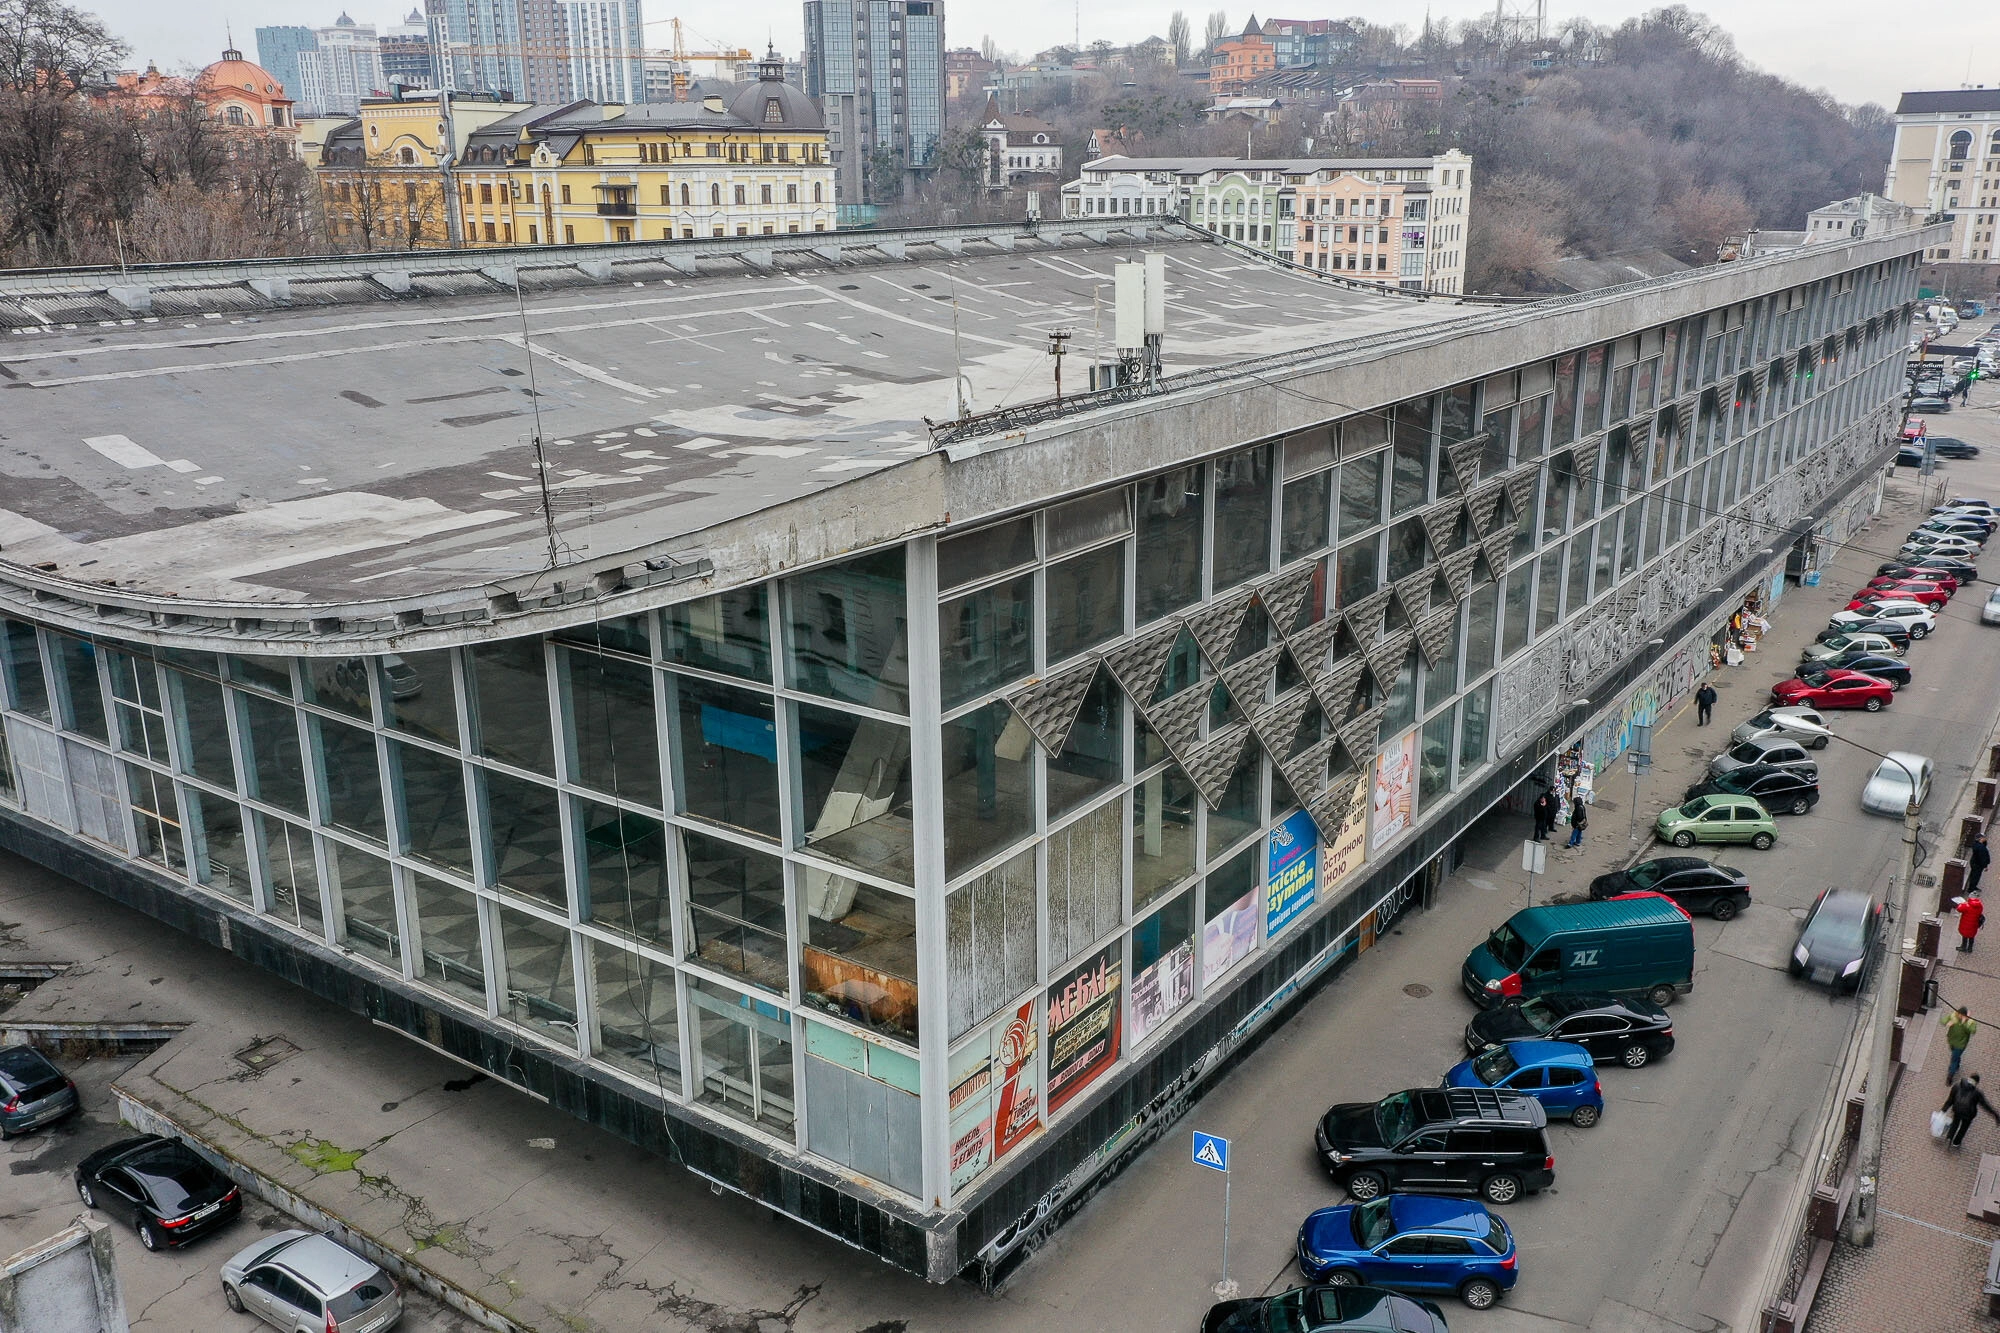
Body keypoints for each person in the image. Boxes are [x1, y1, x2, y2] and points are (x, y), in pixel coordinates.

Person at [1942, 1073, 2000, 1148]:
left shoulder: (1957, 1086)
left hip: (1957, 1110)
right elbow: (1985, 1105)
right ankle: (1956, 1142)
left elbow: (1950, 1100)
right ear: (1976, 1083)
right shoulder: (1977, 1093)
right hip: (1968, 1114)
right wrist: (1995, 1114)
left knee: (1954, 1124)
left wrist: (1943, 1110)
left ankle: (1949, 1138)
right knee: (1963, 1128)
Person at [1945, 1006, 1979, 1084]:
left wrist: (1964, 1023)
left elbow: (1973, 1031)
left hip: (1960, 1045)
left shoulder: (1970, 1022)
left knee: (1954, 1060)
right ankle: (1956, 1065)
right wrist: (1948, 1023)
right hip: (1952, 1041)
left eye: (1960, 1014)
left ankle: (1950, 1075)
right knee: (1955, 1057)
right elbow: (1944, 1020)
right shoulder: (1955, 1017)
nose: (1958, 1015)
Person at [1953, 888, 1987, 954]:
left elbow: (1959, 909)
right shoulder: (1980, 906)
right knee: (1971, 936)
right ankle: (1970, 948)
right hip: (1974, 924)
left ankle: (1963, 947)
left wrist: (1963, 903)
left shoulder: (1966, 906)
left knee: (1965, 935)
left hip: (1965, 924)